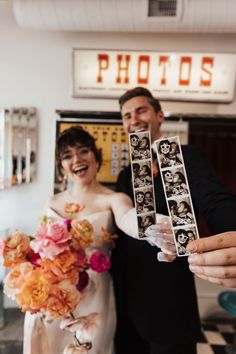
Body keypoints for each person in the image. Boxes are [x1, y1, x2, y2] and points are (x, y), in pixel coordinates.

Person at [23, 126, 171, 354]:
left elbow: (128, 218)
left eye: (83, 151)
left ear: (95, 156)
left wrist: (155, 228)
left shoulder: (113, 199)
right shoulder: (52, 201)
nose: (77, 159)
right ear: (61, 166)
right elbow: (39, 251)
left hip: (94, 292)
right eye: (67, 156)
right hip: (54, 293)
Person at [111, 86, 236, 354]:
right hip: (127, 297)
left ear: (159, 115)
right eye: (126, 115)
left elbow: (214, 199)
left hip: (169, 298)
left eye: (141, 110)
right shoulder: (125, 174)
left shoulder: (186, 157)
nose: (134, 119)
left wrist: (232, 232)